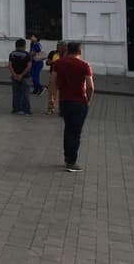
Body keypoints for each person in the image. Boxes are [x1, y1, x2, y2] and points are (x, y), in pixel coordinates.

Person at [50, 42, 94, 172]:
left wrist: (52, 98)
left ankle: (67, 157)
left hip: (65, 100)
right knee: (76, 132)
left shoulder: (58, 63)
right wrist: (88, 100)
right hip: (79, 102)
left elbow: (52, 81)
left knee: (68, 129)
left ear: (68, 50)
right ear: (79, 51)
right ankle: (71, 161)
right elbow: (90, 86)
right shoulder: (84, 65)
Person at [8, 38, 32, 116]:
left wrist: (14, 74)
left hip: (14, 76)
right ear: (24, 46)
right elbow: (28, 67)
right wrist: (21, 75)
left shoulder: (12, 54)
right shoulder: (27, 54)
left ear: (16, 45)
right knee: (25, 94)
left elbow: (10, 65)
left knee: (16, 93)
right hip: (25, 77)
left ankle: (16, 109)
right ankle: (26, 110)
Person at [45, 41, 67, 115]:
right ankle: (50, 109)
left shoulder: (67, 55)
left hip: (64, 76)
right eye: (58, 46)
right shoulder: (52, 53)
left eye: (60, 46)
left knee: (64, 94)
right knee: (51, 93)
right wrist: (55, 62)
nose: (58, 47)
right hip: (53, 75)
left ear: (64, 47)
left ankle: (62, 110)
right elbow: (47, 62)